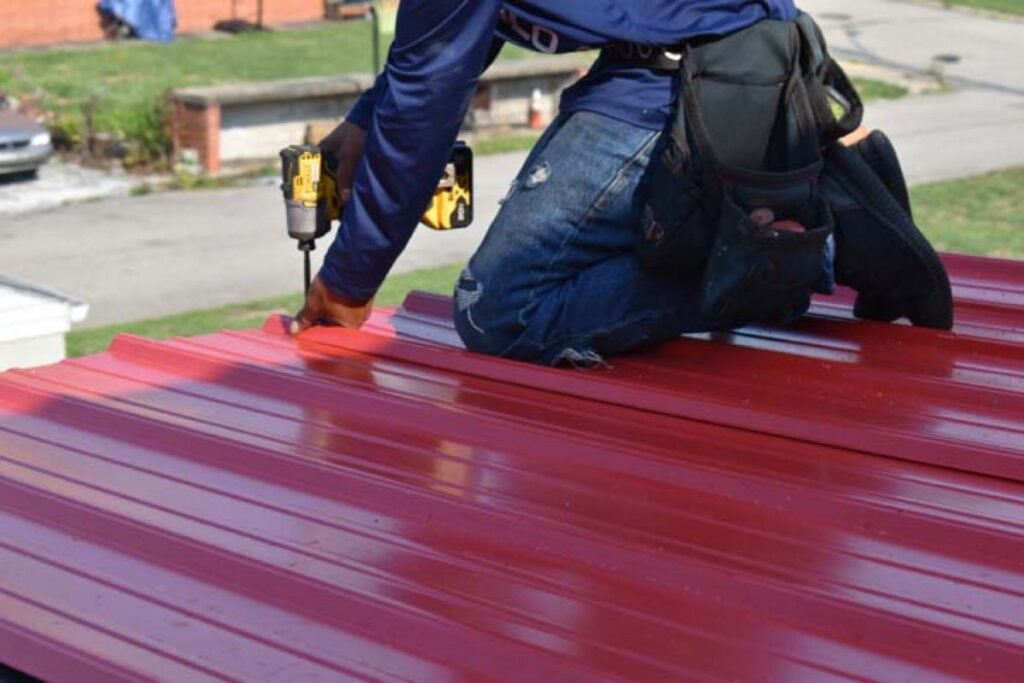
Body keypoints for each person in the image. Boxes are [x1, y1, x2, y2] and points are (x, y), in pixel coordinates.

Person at [291, 1, 951, 366]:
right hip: (730, 54)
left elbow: (423, 115)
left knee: (501, 310)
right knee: (610, 257)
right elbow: (460, 32)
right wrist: (364, 120)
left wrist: (346, 287)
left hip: (692, 78)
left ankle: (814, 245)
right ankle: (821, 203)